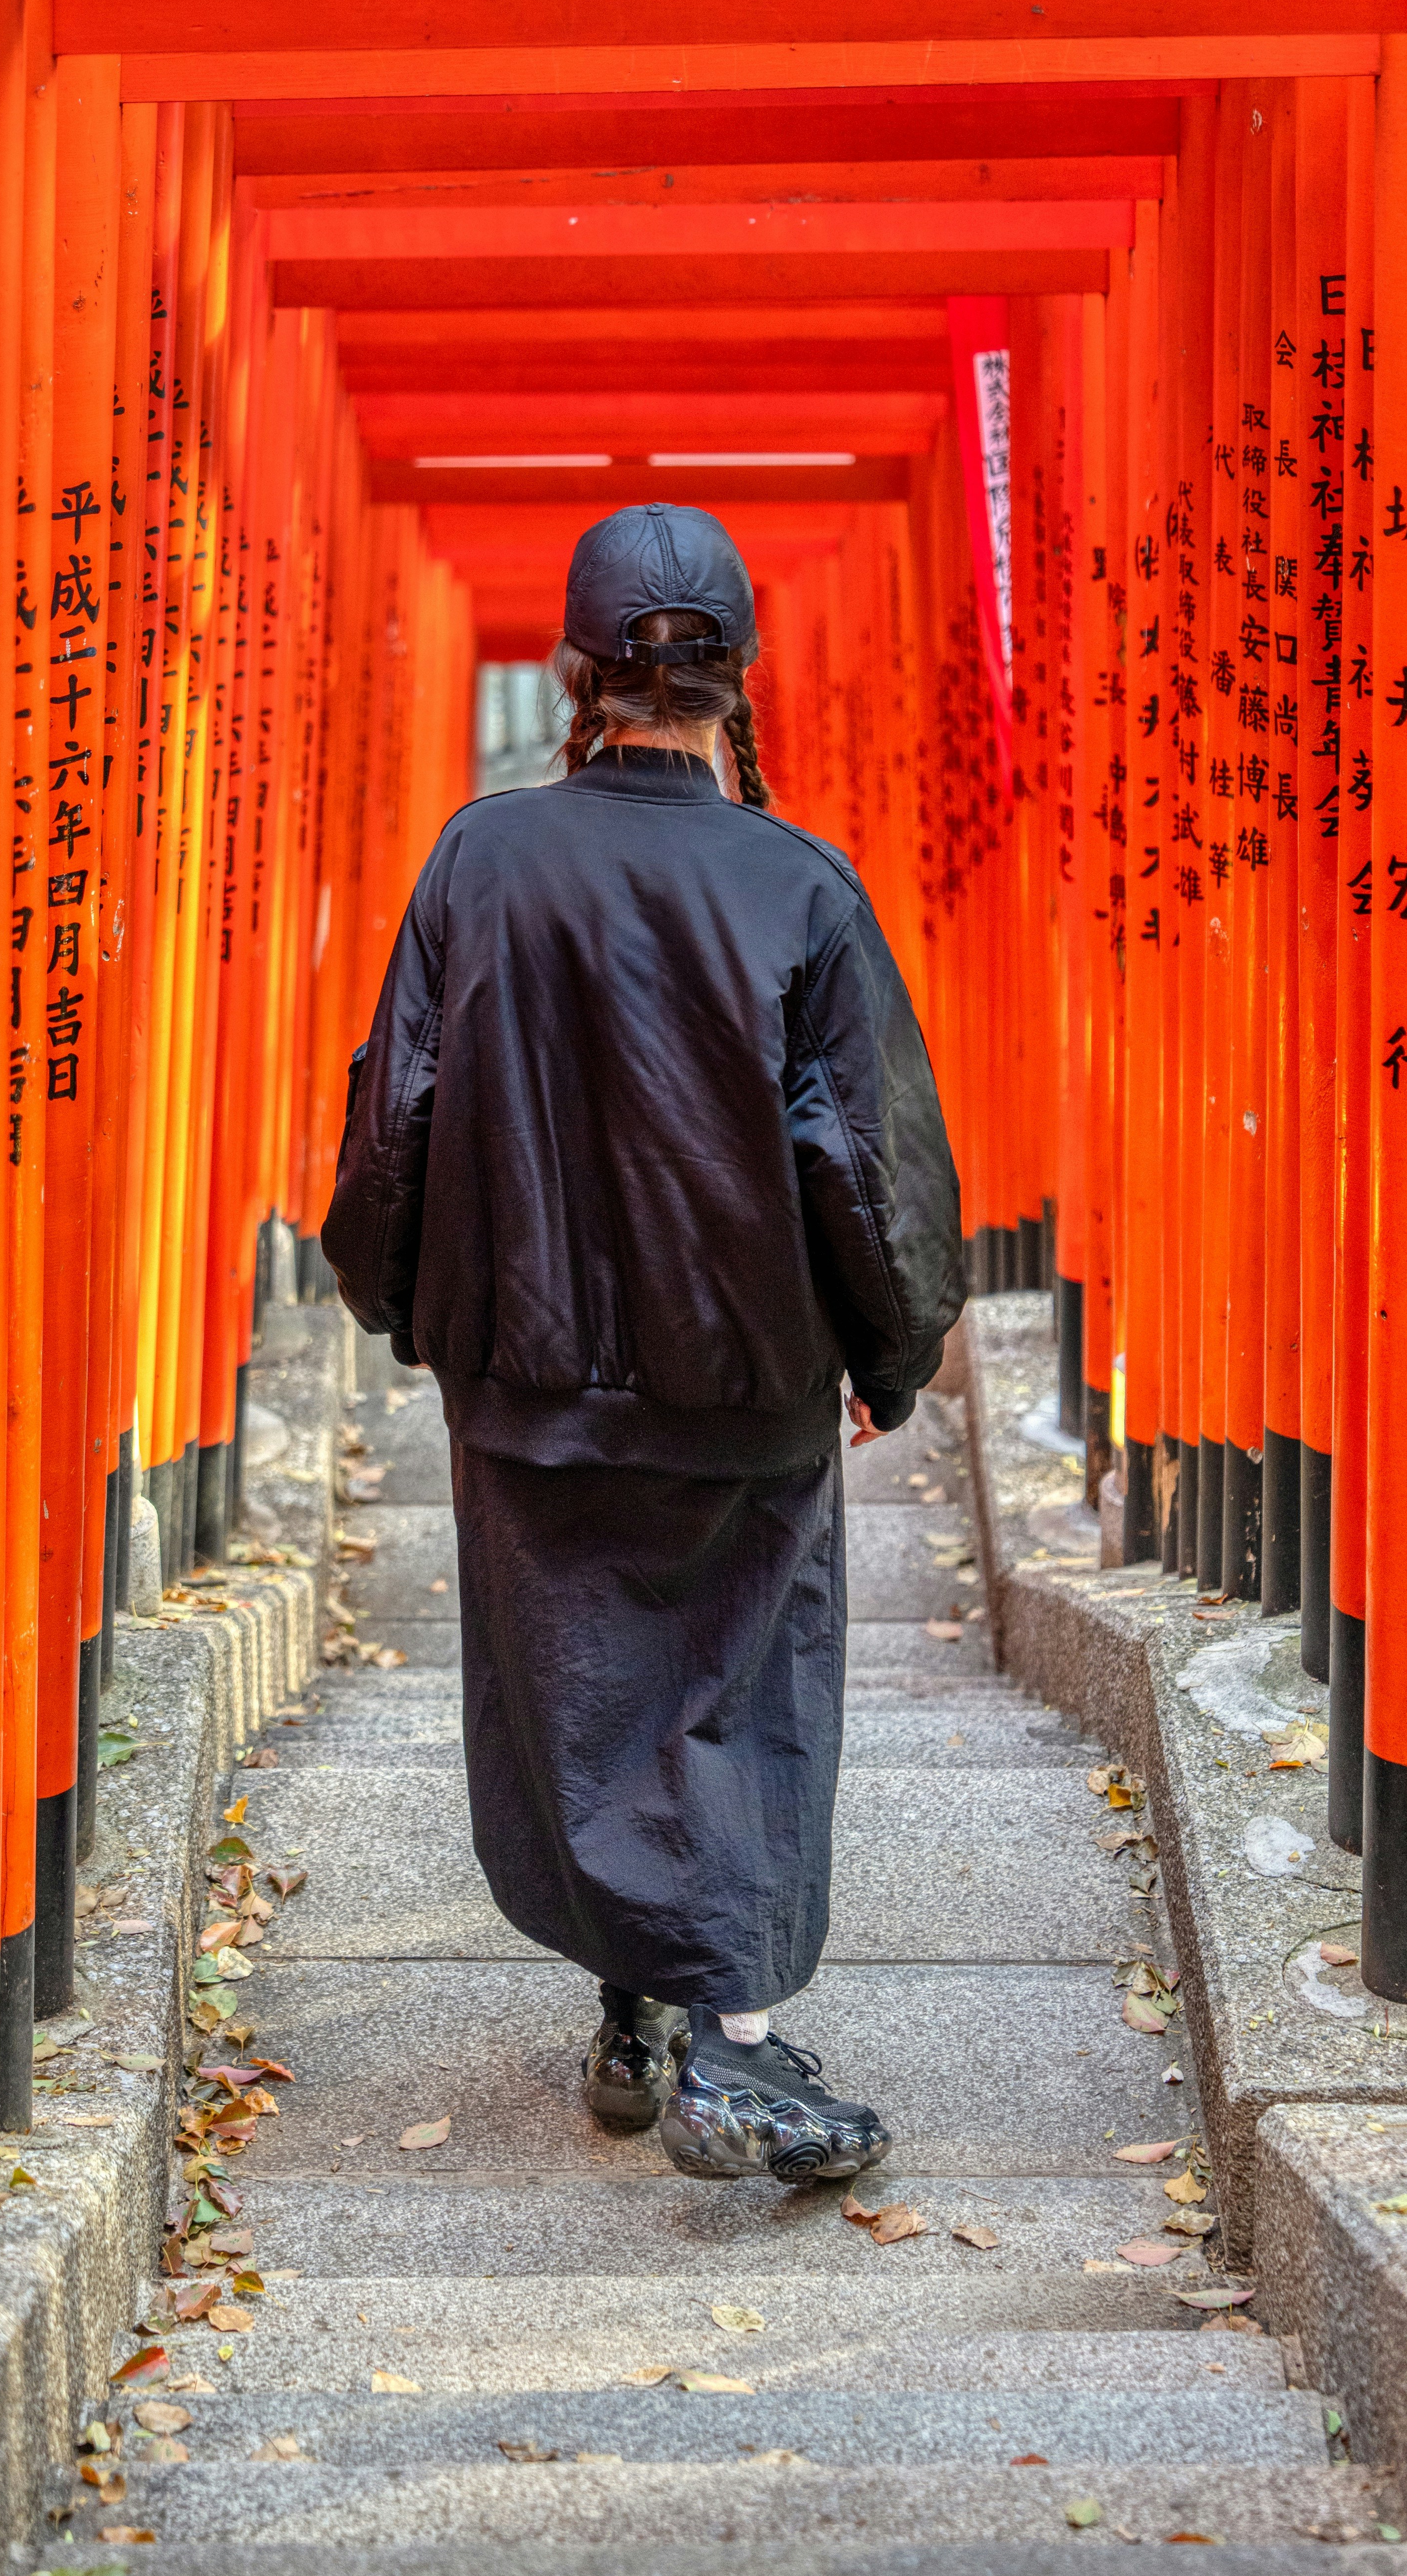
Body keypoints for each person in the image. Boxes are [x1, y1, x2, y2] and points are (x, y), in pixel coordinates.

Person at [320, 501, 964, 2183]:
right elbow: (863, 1156)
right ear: (734, 680)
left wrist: (397, 1302)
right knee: (733, 1688)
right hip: (742, 1378)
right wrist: (890, 1354)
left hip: (525, 1372)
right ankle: (735, 2048)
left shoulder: (480, 859)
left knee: (580, 1681)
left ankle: (628, 2011)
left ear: (576, 672)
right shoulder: (799, 886)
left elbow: (400, 1111)